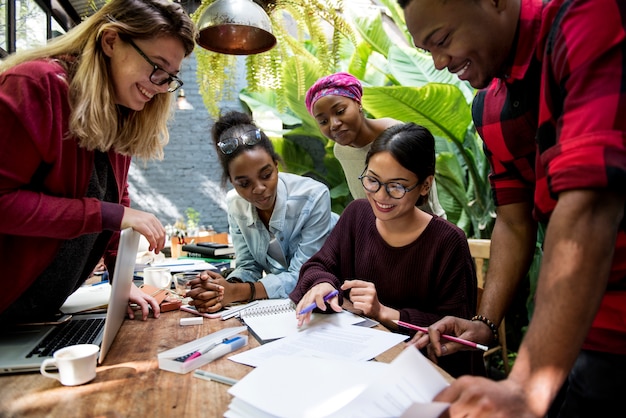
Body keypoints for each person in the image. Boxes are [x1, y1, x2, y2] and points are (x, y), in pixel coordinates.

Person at [397, 0, 626, 416]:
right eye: (427, 50)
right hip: (568, 330)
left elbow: (590, 204)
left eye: (443, 40)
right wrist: (483, 323)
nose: (440, 62)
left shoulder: (587, 17)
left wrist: (526, 387)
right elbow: (514, 220)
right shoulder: (490, 108)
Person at [0, 0, 197, 326]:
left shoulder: (120, 112)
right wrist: (111, 215)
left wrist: (122, 285)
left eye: (170, 77)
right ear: (110, 41)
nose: (161, 86)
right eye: (156, 67)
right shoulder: (35, 86)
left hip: (35, 317)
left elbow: (114, 197)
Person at [289, 122, 484, 378]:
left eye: (397, 186)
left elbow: (453, 334)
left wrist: (383, 312)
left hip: (417, 376)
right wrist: (322, 284)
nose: (381, 196)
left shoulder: (448, 242)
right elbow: (319, 266)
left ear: (425, 185)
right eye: (372, 180)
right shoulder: (357, 214)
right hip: (352, 364)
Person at [186, 110, 338, 313]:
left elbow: (304, 275)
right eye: (244, 183)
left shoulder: (313, 196)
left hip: (332, 296)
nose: (258, 188)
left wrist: (237, 292)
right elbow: (248, 266)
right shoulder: (235, 204)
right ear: (232, 181)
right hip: (285, 308)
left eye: (266, 175)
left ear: (276, 166)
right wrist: (219, 288)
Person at [305, 71, 446, 218]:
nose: (334, 124)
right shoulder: (340, 150)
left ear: (358, 103)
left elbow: (427, 199)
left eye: (340, 111)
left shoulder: (399, 137)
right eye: (323, 121)